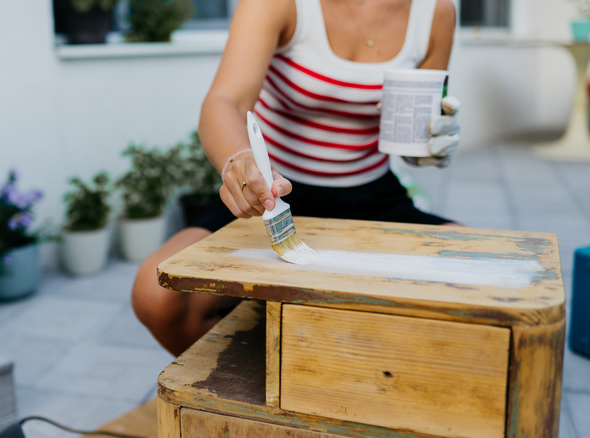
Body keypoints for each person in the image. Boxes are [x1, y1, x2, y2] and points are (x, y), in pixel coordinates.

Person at [132, 0, 460, 357]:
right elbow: (226, 99)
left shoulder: (436, 13)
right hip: (272, 199)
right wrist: (239, 161)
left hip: (374, 198)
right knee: (157, 295)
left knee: (485, 274)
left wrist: (427, 143)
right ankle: (253, 402)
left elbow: (414, 125)